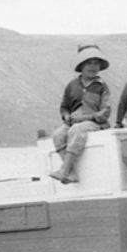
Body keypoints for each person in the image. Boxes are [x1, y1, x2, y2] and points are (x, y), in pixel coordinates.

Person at [49, 44, 112, 184]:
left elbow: (105, 112)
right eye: (89, 63)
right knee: (58, 135)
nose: (93, 67)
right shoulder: (72, 85)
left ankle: (64, 169)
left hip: (95, 123)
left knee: (76, 130)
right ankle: (71, 173)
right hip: (74, 121)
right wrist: (66, 117)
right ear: (81, 65)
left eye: (96, 63)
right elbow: (64, 107)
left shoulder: (102, 86)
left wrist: (87, 117)